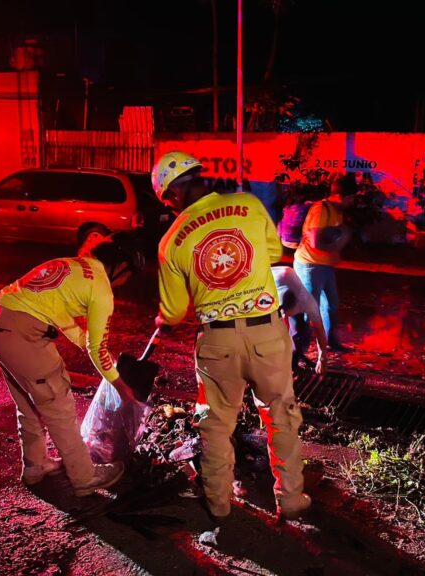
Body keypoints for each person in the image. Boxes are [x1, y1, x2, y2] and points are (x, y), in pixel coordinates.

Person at [151, 151, 311, 521]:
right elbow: (273, 253)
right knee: (281, 417)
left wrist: (164, 317)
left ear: (172, 195)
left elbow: (174, 312)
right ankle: (289, 498)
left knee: (215, 425)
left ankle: (219, 504)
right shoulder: (248, 205)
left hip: (217, 342)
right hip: (267, 332)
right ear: (199, 178)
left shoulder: (171, 241)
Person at [0, 238, 139, 497]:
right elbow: (97, 350)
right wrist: (120, 385)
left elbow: (56, 311)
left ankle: (35, 466)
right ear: (121, 267)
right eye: (128, 277)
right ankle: (84, 477)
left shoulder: (69, 265)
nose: (125, 284)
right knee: (58, 403)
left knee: (28, 402)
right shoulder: (102, 290)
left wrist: (85, 342)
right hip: (22, 334)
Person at [293, 173, 356, 352]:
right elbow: (316, 242)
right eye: (351, 198)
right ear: (342, 196)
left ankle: (331, 343)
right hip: (309, 265)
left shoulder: (338, 212)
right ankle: (299, 350)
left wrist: (339, 242)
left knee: (330, 305)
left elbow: (333, 240)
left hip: (324, 265)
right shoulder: (320, 210)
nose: (352, 202)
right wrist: (339, 243)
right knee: (309, 309)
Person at [271, 265, 328, 374]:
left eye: (287, 314)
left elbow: (320, 331)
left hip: (286, 277)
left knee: (300, 329)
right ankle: (289, 361)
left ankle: (295, 358)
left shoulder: (309, 303)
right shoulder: (269, 297)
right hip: (269, 281)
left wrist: (323, 358)